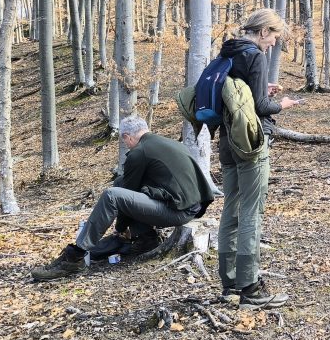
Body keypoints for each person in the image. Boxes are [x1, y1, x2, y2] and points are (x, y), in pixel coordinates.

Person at [32, 116, 215, 282]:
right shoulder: (167, 143)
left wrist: (120, 229)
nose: (126, 145)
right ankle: (146, 239)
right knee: (120, 182)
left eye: (124, 141)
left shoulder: (139, 152)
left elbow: (123, 197)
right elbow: (129, 186)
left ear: (127, 137)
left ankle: (75, 257)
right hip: (190, 205)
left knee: (111, 195)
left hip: (179, 211)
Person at [216, 8, 301, 308]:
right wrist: (283, 104)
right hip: (250, 143)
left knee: (232, 209)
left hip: (226, 141)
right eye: (274, 37)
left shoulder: (228, 51)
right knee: (251, 212)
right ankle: (250, 288)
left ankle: (229, 284)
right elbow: (261, 107)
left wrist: (261, 90)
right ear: (263, 31)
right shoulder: (255, 56)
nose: (274, 44)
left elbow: (239, 95)